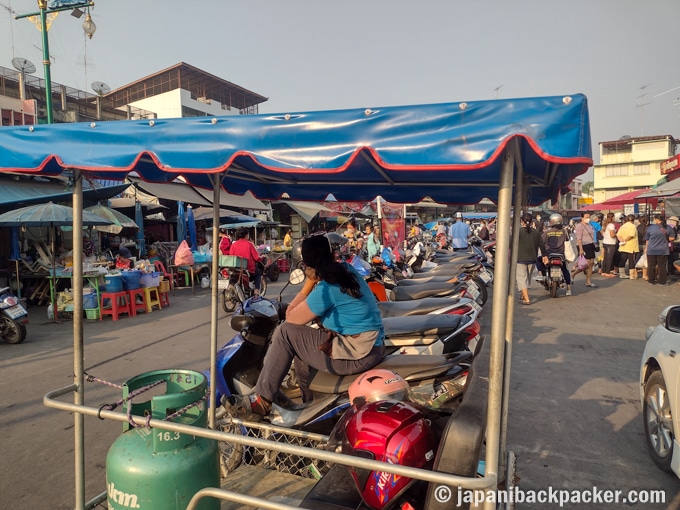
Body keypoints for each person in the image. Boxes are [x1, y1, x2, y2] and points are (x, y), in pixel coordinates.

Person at [225, 233, 385, 416]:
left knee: (286, 333)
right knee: (301, 350)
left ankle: (262, 400)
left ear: (309, 266)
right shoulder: (346, 270)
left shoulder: (327, 289)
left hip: (358, 352)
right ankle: (309, 407)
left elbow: (292, 317)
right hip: (370, 346)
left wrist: (308, 284)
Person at [516, 212, 547, 305]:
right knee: (527, 278)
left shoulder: (518, 231)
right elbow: (542, 245)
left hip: (520, 259)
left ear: (522, 221)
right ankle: (523, 295)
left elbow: (510, 244)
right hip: (532, 258)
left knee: (521, 279)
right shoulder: (536, 232)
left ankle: (527, 299)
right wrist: (545, 256)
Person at [539, 213, 573, 296]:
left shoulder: (547, 232)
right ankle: (568, 288)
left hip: (549, 254)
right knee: (565, 270)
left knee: (539, 261)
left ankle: (540, 276)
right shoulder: (564, 231)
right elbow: (568, 241)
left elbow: (541, 242)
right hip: (560, 255)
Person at [229, 228, 264, 293]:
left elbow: (231, 256)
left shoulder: (233, 244)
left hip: (235, 268)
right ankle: (256, 291)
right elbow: (256, 257)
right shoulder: (249, 244)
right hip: (247, 269)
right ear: (246, 236)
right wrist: (262, 257)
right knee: (258, 273)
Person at [645, 214, 675, 285]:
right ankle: (662, 281)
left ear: (656, 219)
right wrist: (665, 239)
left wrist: (646, 248)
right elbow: (672, 238)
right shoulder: (668, 228)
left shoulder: (651, 228)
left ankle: (651, 280)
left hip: (651, 250)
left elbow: (647, 239)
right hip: (663, 250)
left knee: (651, 265)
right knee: (662, 266)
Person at [571, 211, 598, 288]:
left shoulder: (590, 225)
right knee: (586, 264)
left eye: (589, 217)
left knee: (591, 264)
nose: (588, 219)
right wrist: (581, 249)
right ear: (582, 218)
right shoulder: (579, 226)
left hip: (591, 245)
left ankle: (588, 281)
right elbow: (579, 239)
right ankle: (573, 274)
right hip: (584, 245)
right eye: (586, 217)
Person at [616, 214, 639, 279]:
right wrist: (625, 240)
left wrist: (622, 241)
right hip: (631, 246)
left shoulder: (623, 226)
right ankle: (632, 275)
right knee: (631, 260)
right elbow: (631, 235)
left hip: (623, 246)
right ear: (633, 220)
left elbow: (618, 235)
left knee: (622, 260)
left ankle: (622, 274)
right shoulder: (633, 226)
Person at [601, 213, 618, 277]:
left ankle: (604, 271)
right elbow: (612, 235)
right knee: (609, 258)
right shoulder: (611, 225)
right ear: (612, 217)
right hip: (610, 243)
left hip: (605, 242)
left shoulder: (605, 224)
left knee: (606, 257)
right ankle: (608, 272)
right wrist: (616, 233)